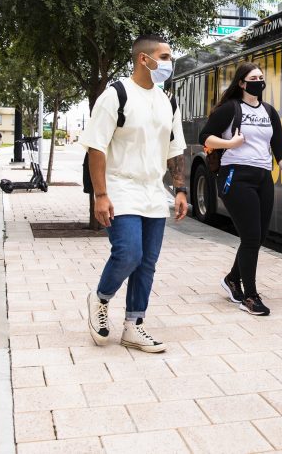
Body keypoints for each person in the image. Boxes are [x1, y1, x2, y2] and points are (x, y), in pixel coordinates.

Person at [83, 34, 188, 352]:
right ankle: (100, 299)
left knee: (147, 263)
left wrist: (180, 189)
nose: (169, 63)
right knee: (129, 253)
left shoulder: (167, 101)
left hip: (154, 192)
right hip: (120, 187)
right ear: (145, 59)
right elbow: (96, 147)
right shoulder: (116, 95)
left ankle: (133, 325)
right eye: (165, 57)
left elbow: (175, 149)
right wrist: (101, 195)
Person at [199, 62, 282, 316]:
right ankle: (250, 297)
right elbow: (205, 137)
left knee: (258, 236)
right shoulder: (231, 109)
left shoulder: (269, 111)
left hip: (263, 177)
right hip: (236, 176)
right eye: (254, 77)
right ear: (242, 83)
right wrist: (230, 143)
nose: (259, 81)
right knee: (252, 236)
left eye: (262, 77)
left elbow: (279, 148)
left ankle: (232, 279)